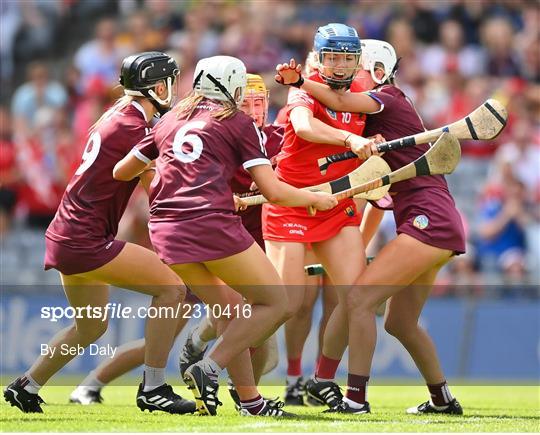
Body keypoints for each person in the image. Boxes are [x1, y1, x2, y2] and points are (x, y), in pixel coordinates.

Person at [113, 55, 337, 417]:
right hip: (210, 225)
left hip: (166, 231)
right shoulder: (236, 121)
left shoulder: (169, 119)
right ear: (232, 86)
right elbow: (275, 192)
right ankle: (209, 367)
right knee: (279, 302)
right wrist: (315, 199)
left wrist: (174, 177)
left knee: (231, 310)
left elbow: (122, 171)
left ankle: (251, 402)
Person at [276, 39, 465, 415]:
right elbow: (376, 196)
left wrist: (300, 82)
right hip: (429, 222)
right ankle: (443, 400)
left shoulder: (388, 97)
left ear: (375, 70)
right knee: (401, 322)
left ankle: (352, 396)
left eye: (353, 64)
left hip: (428, 221)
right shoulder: (373, 124)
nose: (344, 72)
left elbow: (340, 102)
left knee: (359, 298)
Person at [69, 74, 282, 407]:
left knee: (250, 333)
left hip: (239, 251)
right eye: (246, 103)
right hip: (206, 243)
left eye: (260, 102)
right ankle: (92, 384)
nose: (254, 110)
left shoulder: (273, 138)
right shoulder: (220, 130)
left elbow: (289, 173)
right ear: (230, 103)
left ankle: (239, 391)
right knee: (163, 340)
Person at [3, 52, 196, 415]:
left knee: (91, 326)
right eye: (169, 81)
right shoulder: (136, 128)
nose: (172, 88)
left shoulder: (118, 117)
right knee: (173, 289)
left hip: (66, 235)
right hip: (86, 239)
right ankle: (153, 386)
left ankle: (26, 385)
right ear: (157, 86)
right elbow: (156, 185)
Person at [262, 23, 384, 406]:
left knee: (357, 299)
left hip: (335, 206)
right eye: (333, 57)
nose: (340, 66)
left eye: (348, 58)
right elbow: (302, 125)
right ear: (319, 57)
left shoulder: (363, 94)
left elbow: (369, 137)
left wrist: (372, 144)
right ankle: (215, 362)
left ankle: (328, 383)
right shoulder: (303, 90)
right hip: (292, 202)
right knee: (286, 305)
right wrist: (350, 139)